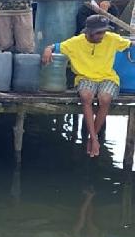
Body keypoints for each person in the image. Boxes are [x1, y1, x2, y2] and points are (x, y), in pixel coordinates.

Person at [43, 15, 133, 158]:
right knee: (86, 96)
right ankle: (94, 137)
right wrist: (48, 49)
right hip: (85, 77)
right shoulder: (76, 42)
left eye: (103, 32)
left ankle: (93, 138)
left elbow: (129, 44)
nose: (102, 35)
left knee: (105, 98)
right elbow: (56, 46)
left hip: (107, 77)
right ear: (89, 32)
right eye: (98, 32)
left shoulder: (112, 38)